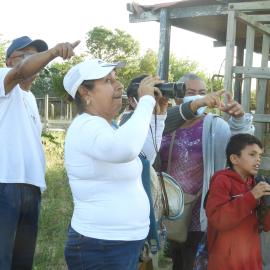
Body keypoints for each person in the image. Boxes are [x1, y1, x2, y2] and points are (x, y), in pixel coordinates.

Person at [63, 59, 167, 270]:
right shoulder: (86, 126)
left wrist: (159, 113)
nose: (118, 85)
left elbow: (143, 155)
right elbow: (126, 149)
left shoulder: (107, 127)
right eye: (108, 81)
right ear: (85, 92)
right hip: (101, 246)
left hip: (119, 243)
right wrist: (145, 102)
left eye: (116, 79)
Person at [158, 73, 254, 270]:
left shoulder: (213, 125)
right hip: (170, 207)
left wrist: (238, 120)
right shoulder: (164, 123)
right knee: (177, 257)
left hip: (199, 211)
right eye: (191, 92)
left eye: (202, 92)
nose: (198, 97)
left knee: (193, 260)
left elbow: (240, 148)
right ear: (178, 97)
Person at [0, 35, 79, 270]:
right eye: (28, 56)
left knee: (23, 261)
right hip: (5, 185)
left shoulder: (31, 98)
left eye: (38, 56)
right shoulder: (2, 79)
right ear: (10, 61)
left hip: (31, 187)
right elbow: (21, 72)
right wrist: (53, 52)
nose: (35, 62)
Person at [206, 133, 270, 270]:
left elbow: (266, 225)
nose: (258, 160)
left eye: (260, 155)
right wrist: (251, 198)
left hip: (251, 258)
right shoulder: (221, 181)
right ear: (234, 158)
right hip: (225, 261)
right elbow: (218, 219)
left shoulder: (257, 183)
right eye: (252, 154)